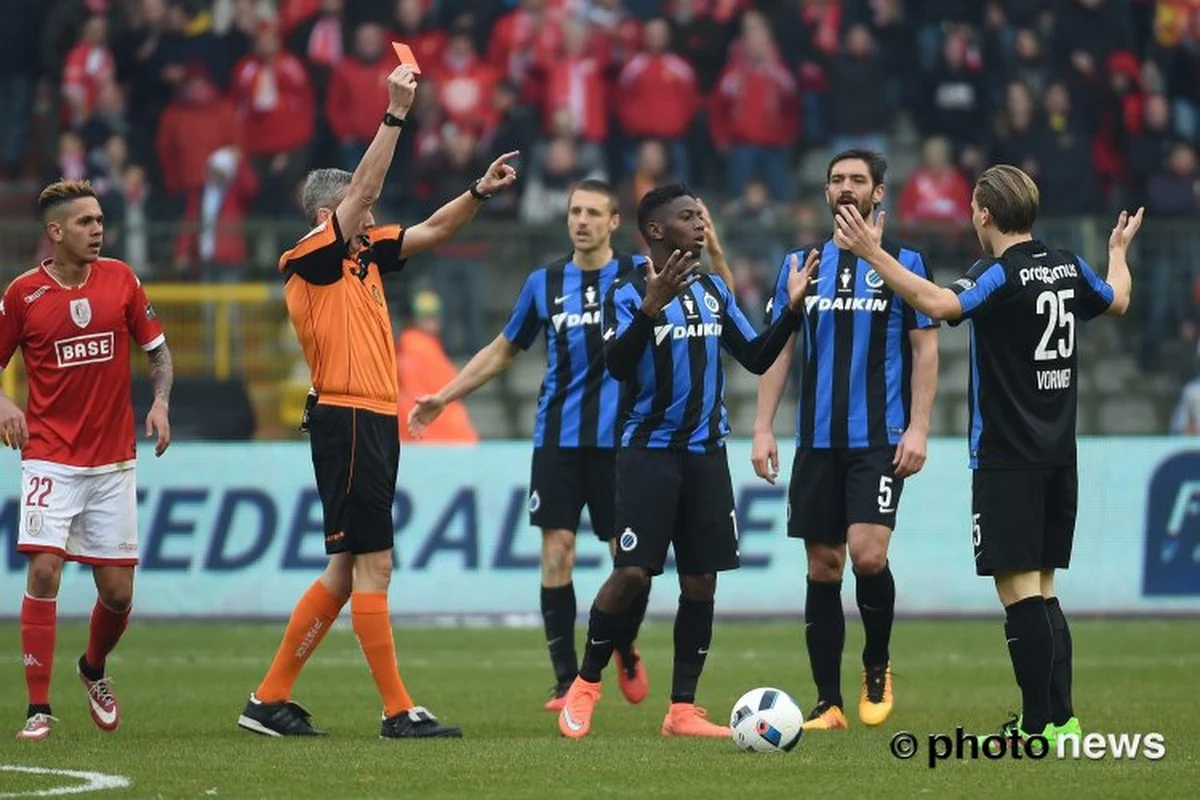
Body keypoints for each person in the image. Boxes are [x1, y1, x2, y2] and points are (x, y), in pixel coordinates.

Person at [236, 62, 518, 739]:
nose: (374, 217)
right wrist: (393, 115)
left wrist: (478, 189)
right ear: (333, 214)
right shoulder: (311, 255)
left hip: (370, 418)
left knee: (345, 566)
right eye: (361, 210)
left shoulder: (363, 253)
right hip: (347, 415)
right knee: (374, 562)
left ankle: (268, 699)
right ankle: (397, 710)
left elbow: (435, 229)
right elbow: (367, 189)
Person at [832, 164, 1140, 741]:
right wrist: (1118, 250)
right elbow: (1118, 299)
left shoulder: (1000, 275)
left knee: (1018, 591)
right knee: (1044, 588)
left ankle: (1037, 724)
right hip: (1057, 456)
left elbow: (941, 305)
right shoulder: (1069, 266)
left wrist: (873, 254)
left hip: (1008, 457)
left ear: (984, 214)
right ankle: (1062, 721)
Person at [409, 183, 737, 712]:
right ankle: (566, 682)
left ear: (613, 222)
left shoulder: (643, 275)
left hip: (625, 445)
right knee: (557, 550)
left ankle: (623, 645)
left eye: (592, 213)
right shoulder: (544, 283)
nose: (580, 221)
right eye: (573, 212)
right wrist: (445, 396)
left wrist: (716, 254)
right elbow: (502, 349)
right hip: (558, 439)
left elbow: (710, 303)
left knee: (626, 566)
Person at [555, 184, 816, 739]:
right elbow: (617, 366)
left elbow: (755, 356)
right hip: (647, 454)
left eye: (701, 214)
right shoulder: (625, 291)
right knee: (631, 572)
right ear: (655, 230)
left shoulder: (714, 289)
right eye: (688, 217)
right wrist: (651, 307)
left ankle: (682, 710)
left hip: (705, 456)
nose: (701, 224)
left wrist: (791, 311)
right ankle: (586, 682)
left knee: (700, 582)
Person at [750, 150, 939, 731]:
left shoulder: (905, 262)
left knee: (868, 555)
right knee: (823, 567)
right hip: (817, 442)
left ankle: (876, 665)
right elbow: (779, 348)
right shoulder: (801, 263)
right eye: (837, 180)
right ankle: (827, 703)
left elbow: (924, 348)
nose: (847, 188)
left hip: (878, 439)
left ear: (879, 193)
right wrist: (762, 427)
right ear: (827, 193)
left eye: (858, 180)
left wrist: (919, 426)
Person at [1, 179, 173, 741]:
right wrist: (6, 402)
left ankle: (92, 668)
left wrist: (162, 403)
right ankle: (38, 709)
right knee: (45, 568)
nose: (98, 229)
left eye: (100, 220)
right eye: (85, 222)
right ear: (55, 232)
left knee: (119, 593)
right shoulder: (22, 295)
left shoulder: (122, 280)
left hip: (111, 459)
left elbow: (158, 352)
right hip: (49, 453)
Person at [396, 290, 478, 443]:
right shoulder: (414, 344)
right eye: (425, 316)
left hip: (430, 424)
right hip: (431, 428)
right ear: (414, 318)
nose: (431, 320)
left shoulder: (426, 344)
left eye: (434, 315)